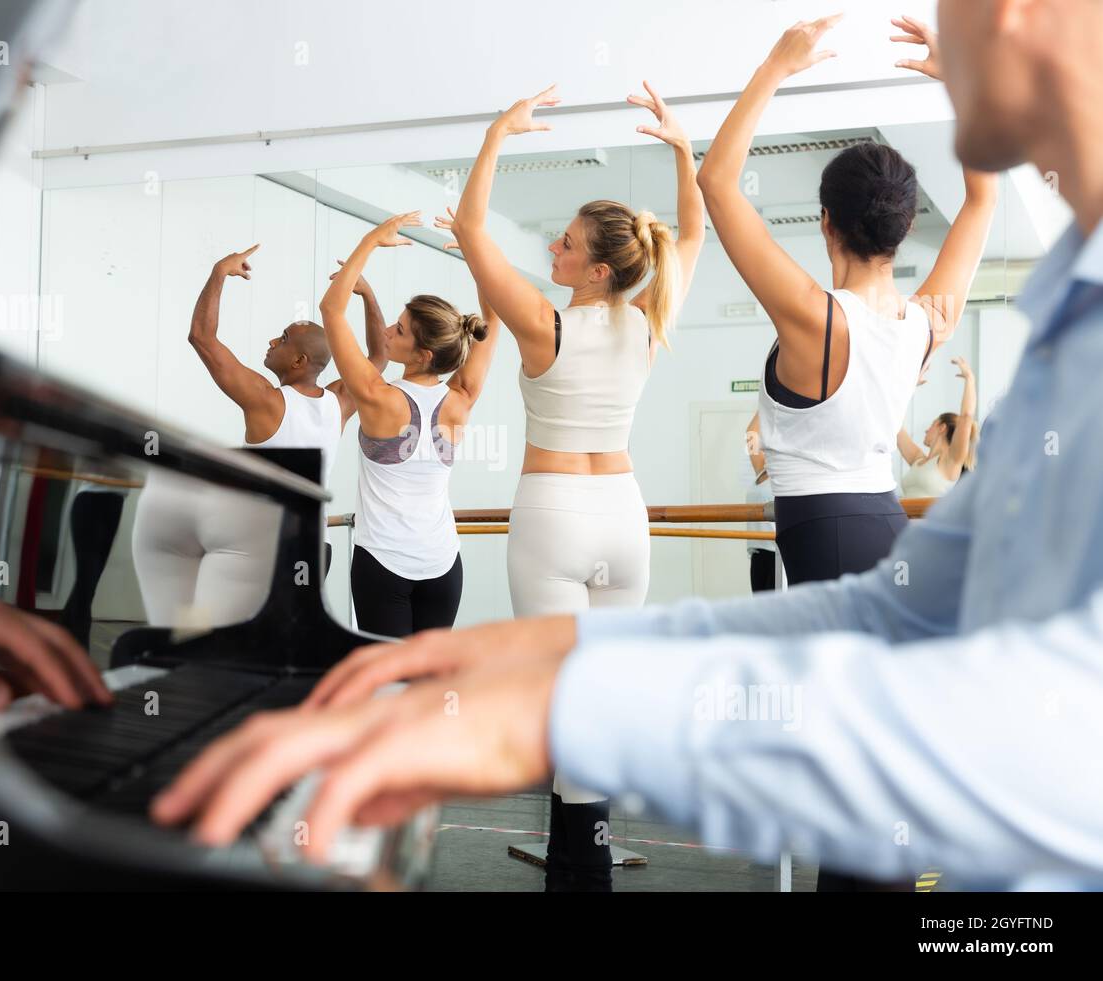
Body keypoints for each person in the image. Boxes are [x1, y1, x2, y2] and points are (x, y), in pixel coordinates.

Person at [151, 4, 1103, 890]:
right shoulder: (717, 320)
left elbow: (1010, 732)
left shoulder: (778, 324)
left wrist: (570, 698)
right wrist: (563, 667)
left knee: (854, 820)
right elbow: (904, 615)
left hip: (597, 515)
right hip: (693, 521)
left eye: (565, 241)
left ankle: (586, 848)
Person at [435, 81, 705, 890]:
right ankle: (583, 857)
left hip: (552, 518)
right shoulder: (650, 316)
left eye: (564, 242)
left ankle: (579, 866)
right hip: (623, 519)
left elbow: (470, 228)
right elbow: (695, 229)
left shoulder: (546, 324)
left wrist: (496, 133)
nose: (553, 247)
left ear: (591, 269)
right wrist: (685, 152)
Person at [697, 13, 997, 598]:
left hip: (827, 532)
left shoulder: (816, 316)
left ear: (825, 222)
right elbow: (983, 197)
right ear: (906, 226)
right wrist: (961, 86)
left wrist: (775, 69)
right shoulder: (927, 321)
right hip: (885, 521)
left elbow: (717, 181)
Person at [131, 247, 386, 627]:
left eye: (282, 339)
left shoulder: (266, 400)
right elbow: (380, 355)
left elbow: (202, 337)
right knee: (289, 650)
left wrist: (219, 272)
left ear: (300, 361)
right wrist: (367, 295)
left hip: (260, 552)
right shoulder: (340, 402)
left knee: (238, 648)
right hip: (314, 549)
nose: (272, 341)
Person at [321, 213, 499, 638]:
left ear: (420, 355)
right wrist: (477, 257)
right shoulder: (462, 398)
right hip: (444, 567)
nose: (386, 332)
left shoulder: (376, 396)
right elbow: (494, 323)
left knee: (388, 684)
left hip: (383, 566)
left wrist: (370, 242)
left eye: (398, 331)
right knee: (427, 685)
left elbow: (331, 309)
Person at [898, 356, 979, 497]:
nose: (926, 430)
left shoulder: (951, 461)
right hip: (906, 518)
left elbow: (966, 418)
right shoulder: (918, 459)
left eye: (931, 425)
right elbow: (895, 425)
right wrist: (909, 385)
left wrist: (970, 380)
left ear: (942, 427)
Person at [743, 412, 777, 593]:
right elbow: (751, 432)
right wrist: (764, 404)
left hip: (778, 554)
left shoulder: (786, 477)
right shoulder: (761, 471)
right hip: (758, 552)